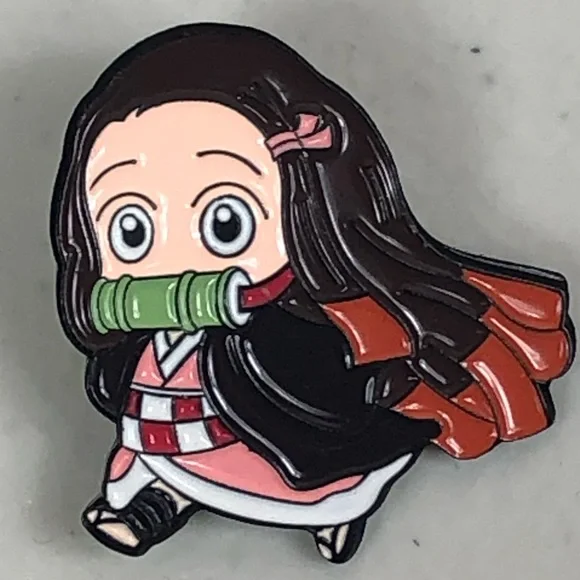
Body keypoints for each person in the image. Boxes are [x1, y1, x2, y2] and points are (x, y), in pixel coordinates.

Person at [50, 23, 575, 564]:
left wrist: (374, 383)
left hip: (265, 450)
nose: (177, 260)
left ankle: (335, 510)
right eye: (131, 229)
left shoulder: (296, 329)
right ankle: (155, 507)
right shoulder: (142, 333)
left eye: (225, 221)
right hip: (167, 429)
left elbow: (333, 387)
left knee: (297, 484)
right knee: (156, 467)